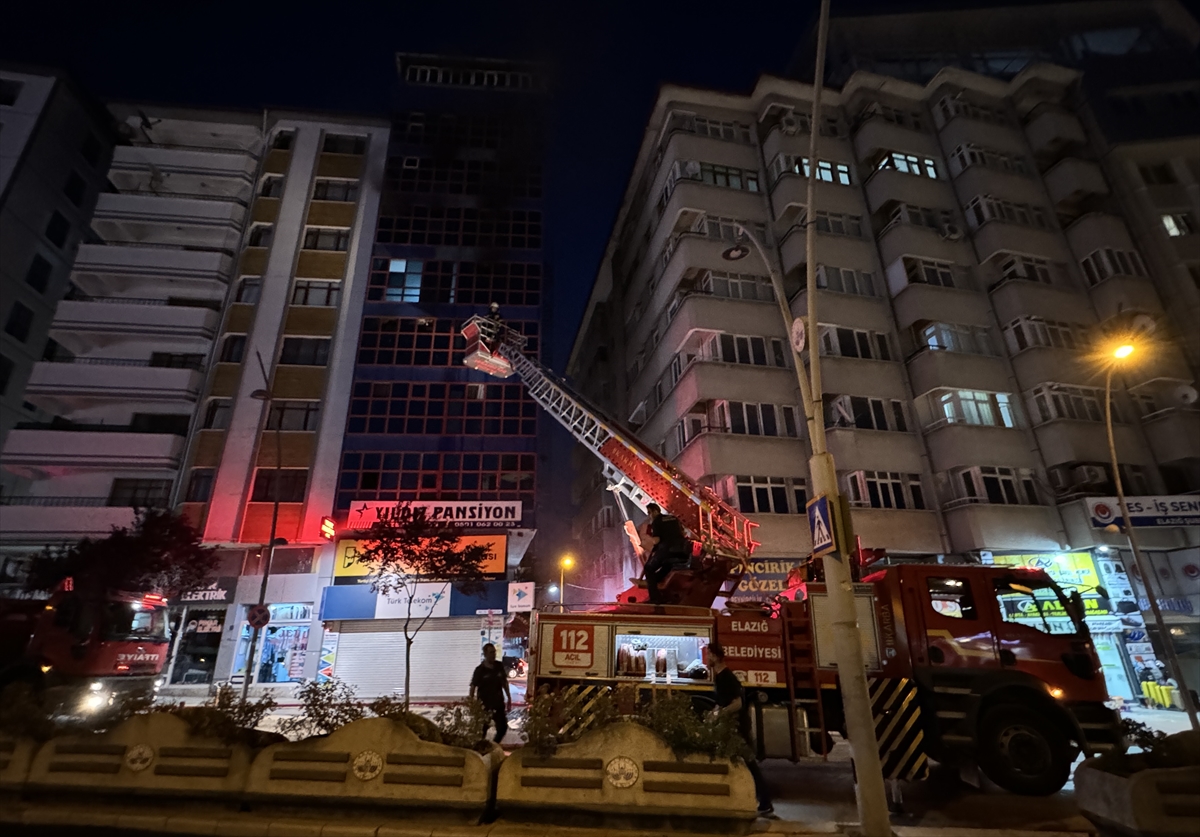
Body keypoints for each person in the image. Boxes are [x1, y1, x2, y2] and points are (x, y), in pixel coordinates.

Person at [708, 642, 774, 817]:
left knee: (749, 762)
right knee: (732, 760)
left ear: (715, 656)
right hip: (733, 726)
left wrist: (720, 714)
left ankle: (765, 801)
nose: (707, 658)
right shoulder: (721, 676)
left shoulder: (726, 677)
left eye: (709, 655)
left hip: (737, 727)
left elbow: (737, 703)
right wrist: (714, 712)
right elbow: (723, 700)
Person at [642, 503, 690, 604]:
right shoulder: (673, 518)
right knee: (665, 567)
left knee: (649, 568)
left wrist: (648, 540)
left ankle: (655, 598)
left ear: (655, 511)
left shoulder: (657, 521)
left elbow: (657, 539)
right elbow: (683, 534)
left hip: (667, 550)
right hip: (682, 551)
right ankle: (660, 588)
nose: (649, 515)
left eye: (649, 513)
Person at [469, 643, 512, 744]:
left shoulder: (499, 666)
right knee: (481, 730)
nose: (493, 655)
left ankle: (494, 745)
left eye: (494, 652)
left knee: (502, 728)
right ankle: (481, 748)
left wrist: (509, 697)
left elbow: (504, 682)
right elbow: (473, 687)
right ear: (485, 654)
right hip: (485, 705)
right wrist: (472, 703)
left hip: (498, 703)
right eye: (491, 652)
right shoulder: (480, 670)